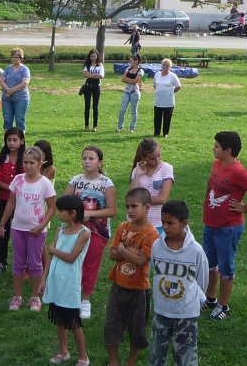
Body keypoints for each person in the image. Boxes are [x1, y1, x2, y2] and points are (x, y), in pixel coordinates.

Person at [201, 131, 247, 321]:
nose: (213, 148)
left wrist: (245, 208)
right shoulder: (217, 163)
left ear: (228, 151)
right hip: (210, 224)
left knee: (226, 266)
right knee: (210, 264)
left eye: (217, 146)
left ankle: (223, 305)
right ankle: (211, 298)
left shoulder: (239, 172)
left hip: (228, 228)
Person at [150, 200, 209, 366]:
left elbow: (202, 278)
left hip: (186, 313)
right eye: (163, 222)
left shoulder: (195, 250)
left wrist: (198, 300)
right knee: (156, 354)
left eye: (170, 223)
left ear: (184, 223)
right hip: (162, 310)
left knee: (185, 355)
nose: (165, 226)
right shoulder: (157, 246)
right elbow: (156, 269)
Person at [0, 146, 57, 312]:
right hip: (18, 228)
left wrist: (41, 226)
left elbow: (51, 207)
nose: (28, 166)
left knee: (35, 263)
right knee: (18, 262)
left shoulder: (44, 183)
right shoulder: (18, 180)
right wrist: (2, 224)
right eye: (25, 162)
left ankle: (35, 297)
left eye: (32, 162)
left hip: (36, 231)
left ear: (40, 163)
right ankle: (17, 297)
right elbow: (11, 203)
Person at [105, 188, 159, 366]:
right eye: (127, 206)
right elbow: (112, 254)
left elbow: (141, 261)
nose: (129, 210)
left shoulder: (152, 234)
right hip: (118, 286)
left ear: (147, 207)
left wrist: (122, 249)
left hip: (138, 290)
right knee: (111, 325)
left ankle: (130, 362)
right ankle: (114, 362)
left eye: (134, 206)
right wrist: (129, 253)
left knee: (137, 330)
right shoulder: (122, 227)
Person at [65, 145, 117, 319]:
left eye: (91, 158)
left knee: (90, 265)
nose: (86, 161)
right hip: (75, 230)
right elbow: (65, 205)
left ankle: (85, 300)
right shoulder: (75, 181)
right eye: (84, 158)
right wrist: (77, 215)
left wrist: (90, 213)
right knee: (73, 263)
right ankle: (72, 296)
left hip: (97, 232)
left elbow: (112, 210)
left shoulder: (106, 183)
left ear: (100, 162)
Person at [41, 194, 92, 366]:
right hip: (56, 280)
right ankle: (63, 351)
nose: (57, 214)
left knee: (73, 320)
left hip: (69, 282)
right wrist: (44, 279)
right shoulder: (59, 230)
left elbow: (71, 257)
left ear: (72, 213)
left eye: (61, 211)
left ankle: (83, 356)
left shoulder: (84, 233)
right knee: (59, 318)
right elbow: (50, 257)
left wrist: (54, 250)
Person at [0, 127, 25, 275]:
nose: (11, 143)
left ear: (22, 141)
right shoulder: (2, 158)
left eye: (14, 140)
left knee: (22, 232)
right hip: (4, 200)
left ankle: (22, 263)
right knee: (2, 229)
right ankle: (1, 262)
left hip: (21, 202)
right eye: (9, 140)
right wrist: (12, 188)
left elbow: (25, 180)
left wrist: (15, 190)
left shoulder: (25, 160)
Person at [130, 138, 174, 234]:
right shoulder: (137, 171)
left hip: (156, 223)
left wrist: (139, 202)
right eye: (152, 158)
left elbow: (162, 199)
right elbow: (131, 198)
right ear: (143, 158)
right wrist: (137, 175)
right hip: (135, 223)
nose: (157, 160)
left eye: (158, 155)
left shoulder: (166, 169)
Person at [1, 48, 31, 131]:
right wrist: (7, 90)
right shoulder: (8, 68)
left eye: (16, 57)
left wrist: (12, 90)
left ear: (21, 58)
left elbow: (25, 83)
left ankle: (20, 141)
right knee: (7, 119)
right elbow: (2, 81)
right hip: (7, 98)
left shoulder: (24, 69)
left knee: (19, 119)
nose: (13, 59)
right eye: (12, 57)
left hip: (21, 98)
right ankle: (7, 140)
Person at [152, 58, 181, 139]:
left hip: (168, 101)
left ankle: (165, 133)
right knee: (157, 117)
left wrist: (171, 92)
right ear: (161, 65)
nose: (165, 66)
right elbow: (154, 85)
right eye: (164, 65)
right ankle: (156, 132)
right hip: (158, 100)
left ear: (170, 67)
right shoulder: (157, 74)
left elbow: (178, 86)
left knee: (167, 118)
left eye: (167, 65)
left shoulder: (172, 76)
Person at [117, 54, 144, 133]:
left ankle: (132, 128)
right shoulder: (128, 69)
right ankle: (119, 127)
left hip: (134, 93)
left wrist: (128, 79)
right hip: (126, 92)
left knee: (134, 111)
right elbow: (123, 79)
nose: (130, 63)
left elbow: (135, 81)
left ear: (136, 61)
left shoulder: (140, 71)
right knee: (122, 110)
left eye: (131, 61)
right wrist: (130, 80)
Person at [82, 49, 104, 132]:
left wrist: (90, 75)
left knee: (95, 106)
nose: (93, 57)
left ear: (97, 56)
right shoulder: (87, 65)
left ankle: (95, 126)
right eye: (91, 56)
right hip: (88, 86)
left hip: (96, 87)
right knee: (87, 106)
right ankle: (86, 125)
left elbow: (101, 76)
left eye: (94, 56)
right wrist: (95, 75)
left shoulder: (100, 65)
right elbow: (85, 75)